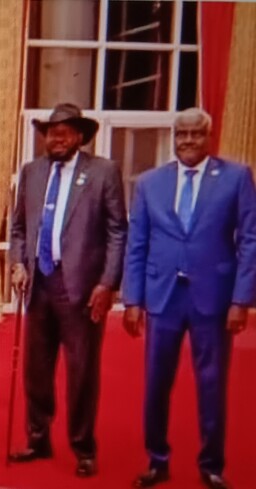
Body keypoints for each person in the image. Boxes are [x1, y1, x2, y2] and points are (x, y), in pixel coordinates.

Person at [122, 108, 255, 489]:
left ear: (209, 136)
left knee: (212, 384)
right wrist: (132, 300)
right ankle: (157, 460)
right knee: (156, 382)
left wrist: (241, 300)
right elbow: (137, 244)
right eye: (181, 134)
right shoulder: (150, 183)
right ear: (173, 137)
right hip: (162, 297)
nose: (188, 141)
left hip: (213, 298)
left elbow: (250, 240)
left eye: (196, 134)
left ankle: (211, 465)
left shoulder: (236, 178)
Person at [7, 102, 127, 478]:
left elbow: (117, 231)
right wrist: (17, 263)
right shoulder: (32, 172)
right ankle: (38, 438)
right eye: (51, 133)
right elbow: (18, 228)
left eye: (64, 132)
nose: (56, 139)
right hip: (39, 285)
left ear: (79, 136)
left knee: (81, 373)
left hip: (81, 289)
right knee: (36, 371)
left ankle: (83, 447)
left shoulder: (103, 172)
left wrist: (107, 283)